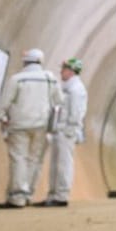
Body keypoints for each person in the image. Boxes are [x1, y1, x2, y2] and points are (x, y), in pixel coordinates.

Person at [0, 48, 63, 209]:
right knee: (35, 160)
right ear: (40, 61)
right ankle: (28, 194)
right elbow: (59, 101)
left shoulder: (17, 79)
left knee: (19, 159)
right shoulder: (50, 79)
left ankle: (17, 196)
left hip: (19, 125)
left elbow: (4, 102)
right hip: (42, 126)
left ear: (25, 62)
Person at [44, 57, 89, 207]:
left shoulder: (75, 89)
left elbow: (76, 113)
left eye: (63, 69)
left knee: (64, 164)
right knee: (56, 165)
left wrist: (70, 130)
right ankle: (53, 194)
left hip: (66, 131)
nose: (61, 72)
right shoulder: (67, 87)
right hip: (60, 130)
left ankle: (61, 196)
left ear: (70, 71)